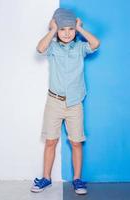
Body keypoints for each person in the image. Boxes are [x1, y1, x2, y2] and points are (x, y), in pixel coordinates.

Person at [30, 8, 100, 195]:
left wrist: (80, 28)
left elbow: (95, 43)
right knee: (51, 141)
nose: (67, 33)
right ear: (57, 30)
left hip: (75, 103)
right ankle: (46, 178)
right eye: (63, 29)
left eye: (71, 29)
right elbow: (40, 48)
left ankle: (77, 179)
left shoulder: (79, 48)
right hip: (54, 102)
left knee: (76, 142)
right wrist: (52, 29)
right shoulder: (52, 47)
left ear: (75, 30)